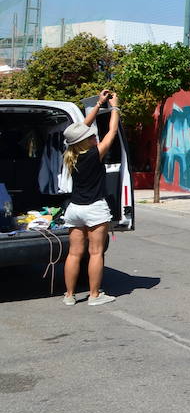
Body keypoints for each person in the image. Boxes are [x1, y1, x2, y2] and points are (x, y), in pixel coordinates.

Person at [61, 90, 121, 306]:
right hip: (94, 208)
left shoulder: (71, 154)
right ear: (86, 141)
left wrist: (98, 104)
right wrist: (114, 107)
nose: (94, 136)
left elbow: (79, 130)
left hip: (74, 209)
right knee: (95, 253)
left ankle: (69, 295)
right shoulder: (95, 153)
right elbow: (112, 132)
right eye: (91, 137)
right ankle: (94, 295)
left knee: (74, 254)